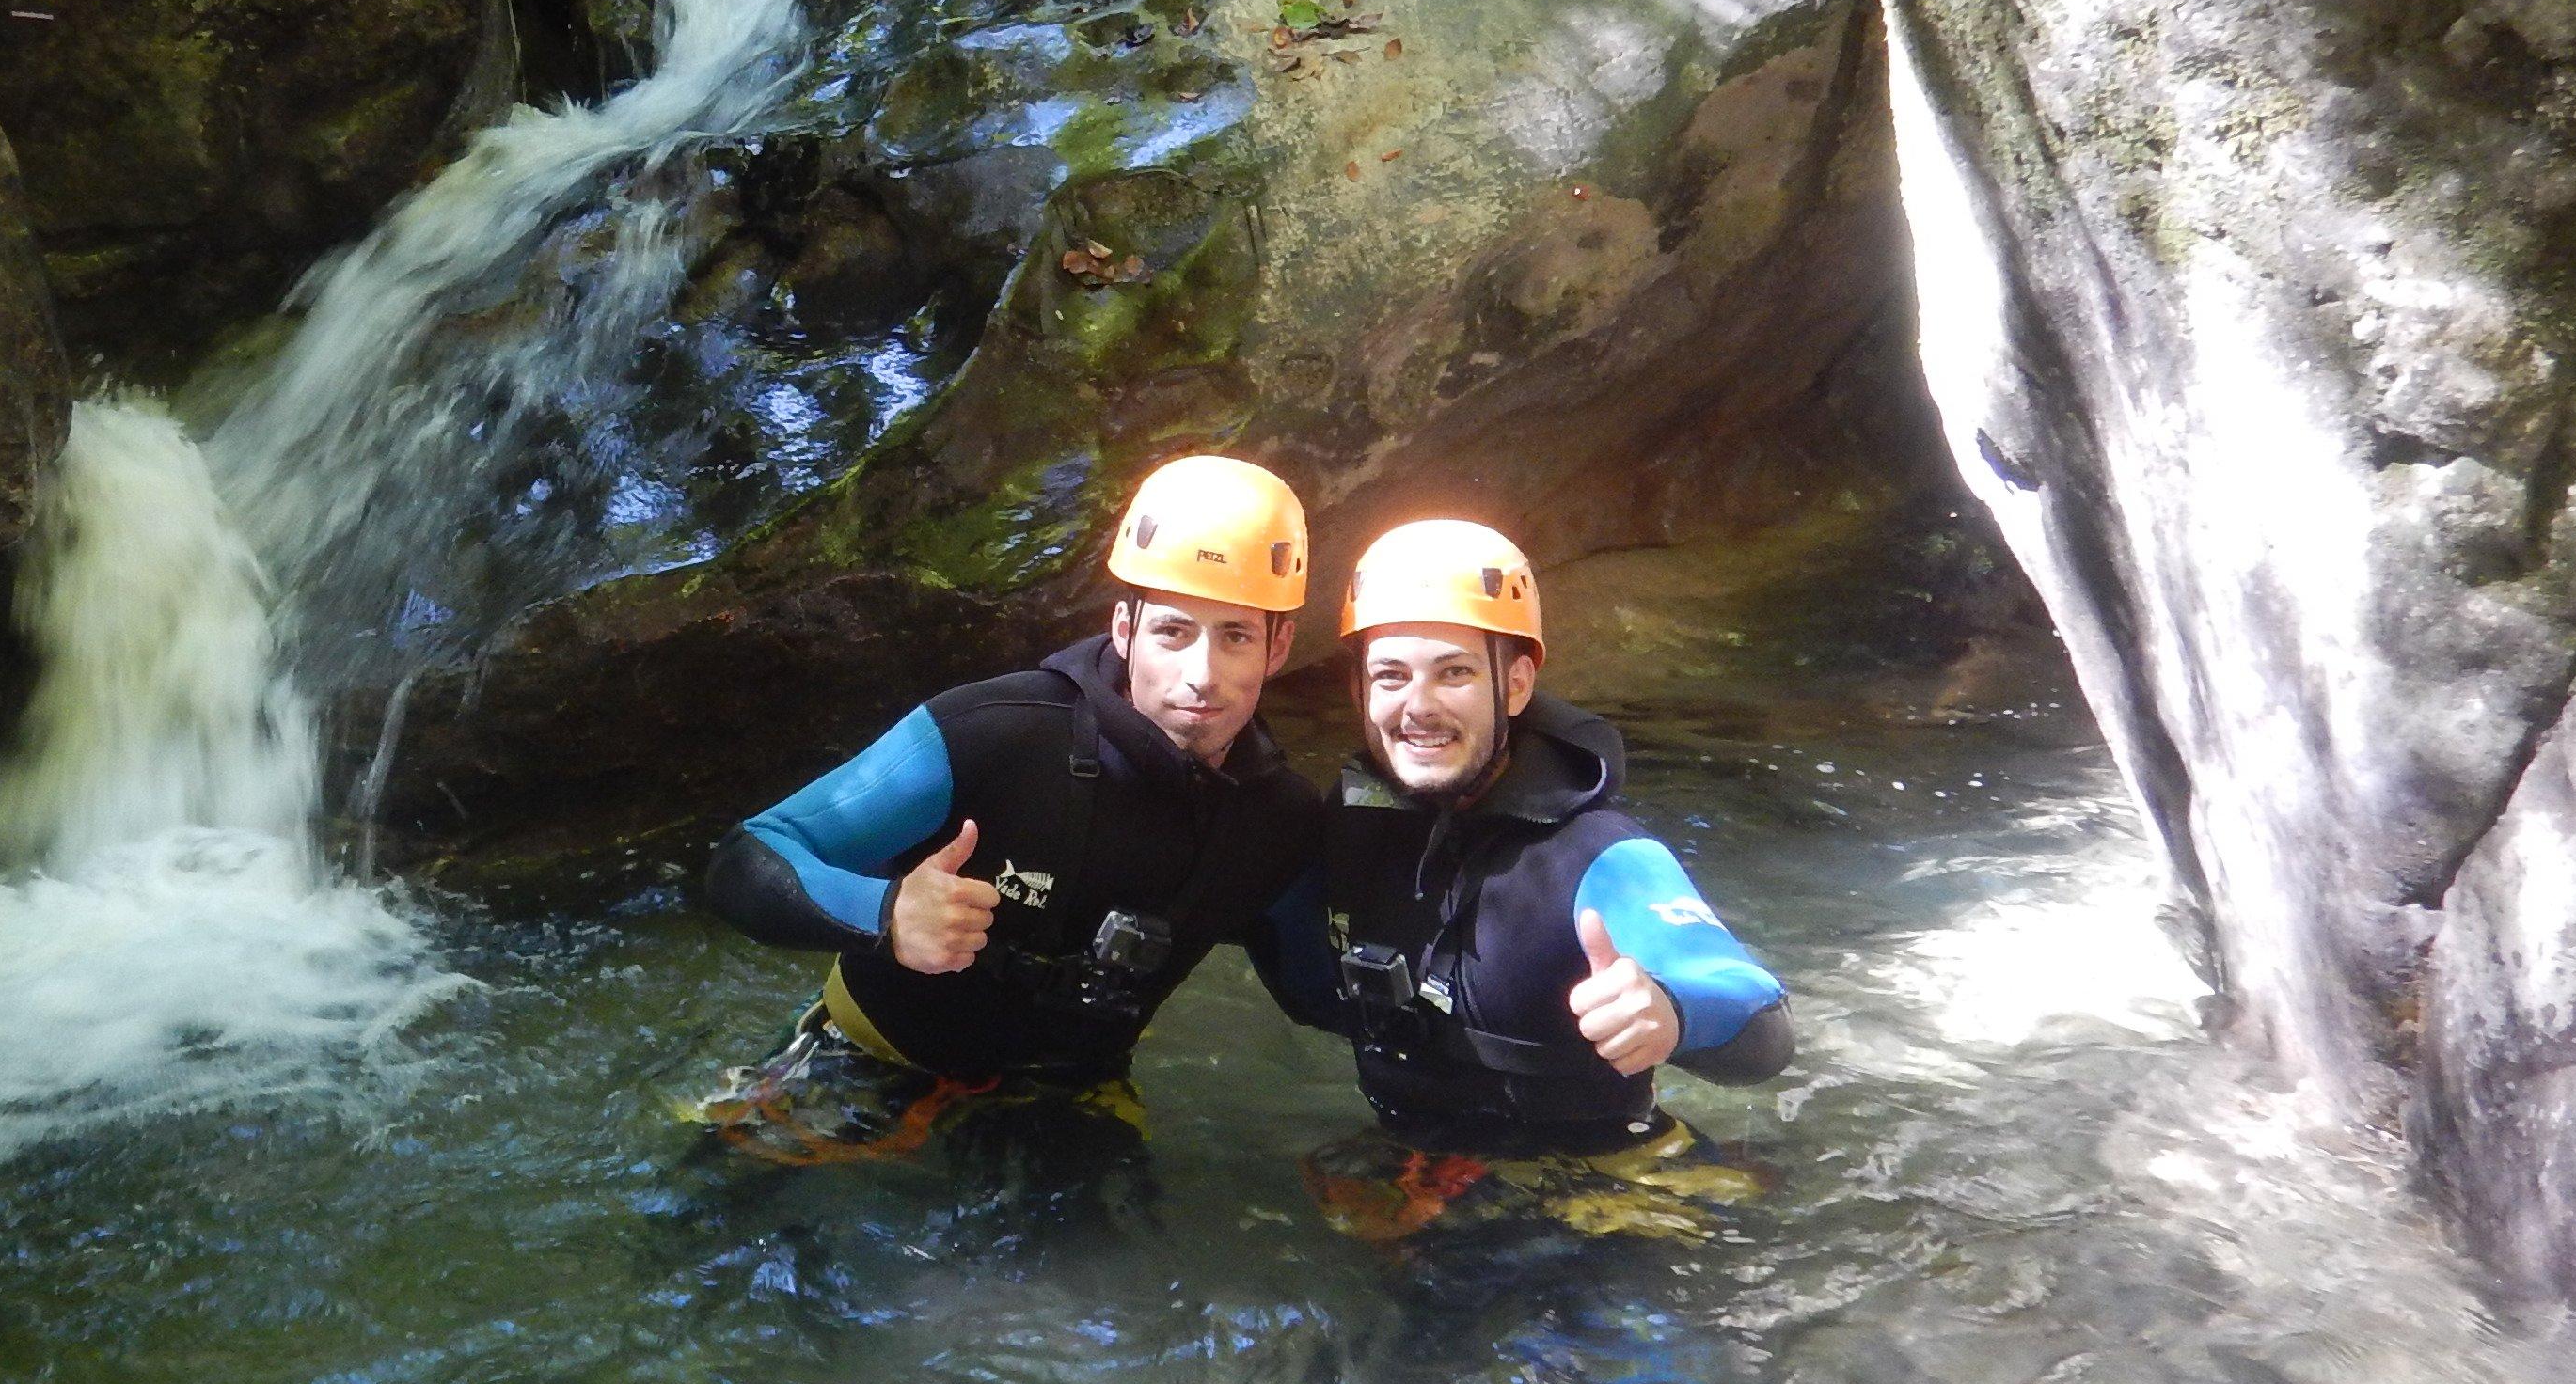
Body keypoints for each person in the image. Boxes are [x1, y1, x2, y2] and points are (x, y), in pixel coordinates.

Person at [691, 456, 1332, 1158]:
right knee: (702, 1225)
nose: (1201, 674)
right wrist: (886, 913)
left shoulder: (1279, 820)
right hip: (870, 1055)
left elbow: (1322, 997)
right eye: (1172, 632)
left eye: (1235, 635)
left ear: (1279, 646)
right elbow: (745, 858)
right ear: (1124, 629)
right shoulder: (997, 732)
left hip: (1065, 1090)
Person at [1304, 519, 1791, 1245]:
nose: (1419, 705)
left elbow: (1762, 1029)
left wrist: (1671, 1011)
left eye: (1455, 672)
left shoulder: (1596, 853)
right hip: (1423, 1169)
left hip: (1602, 1188)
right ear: (1359, 689)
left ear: (1518, 683)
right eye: (1391, 675)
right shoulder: (1353, 826)